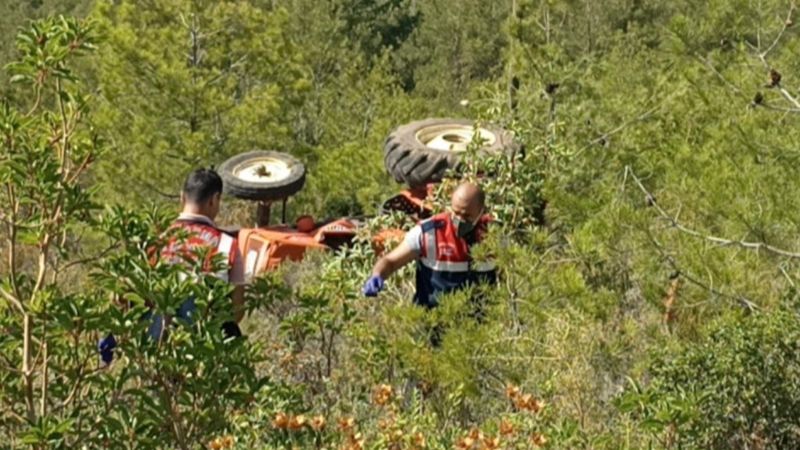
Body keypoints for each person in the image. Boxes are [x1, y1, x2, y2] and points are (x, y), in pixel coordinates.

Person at [98, 169, 245, 363]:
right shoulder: (228, 245)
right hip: (204, 359)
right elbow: (237, 310)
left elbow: (124, 297)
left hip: (155, 356)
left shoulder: (153, 242)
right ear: (214, 199)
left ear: (181, 197)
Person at [363, 182, 497, 342]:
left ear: (481, 211)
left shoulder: (495, 236)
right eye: (455, 212)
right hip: (432, 329)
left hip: (478, 333)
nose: (459, 220)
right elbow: (390, 261)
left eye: (467, 216)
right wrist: (377, 276)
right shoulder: (429, 232)